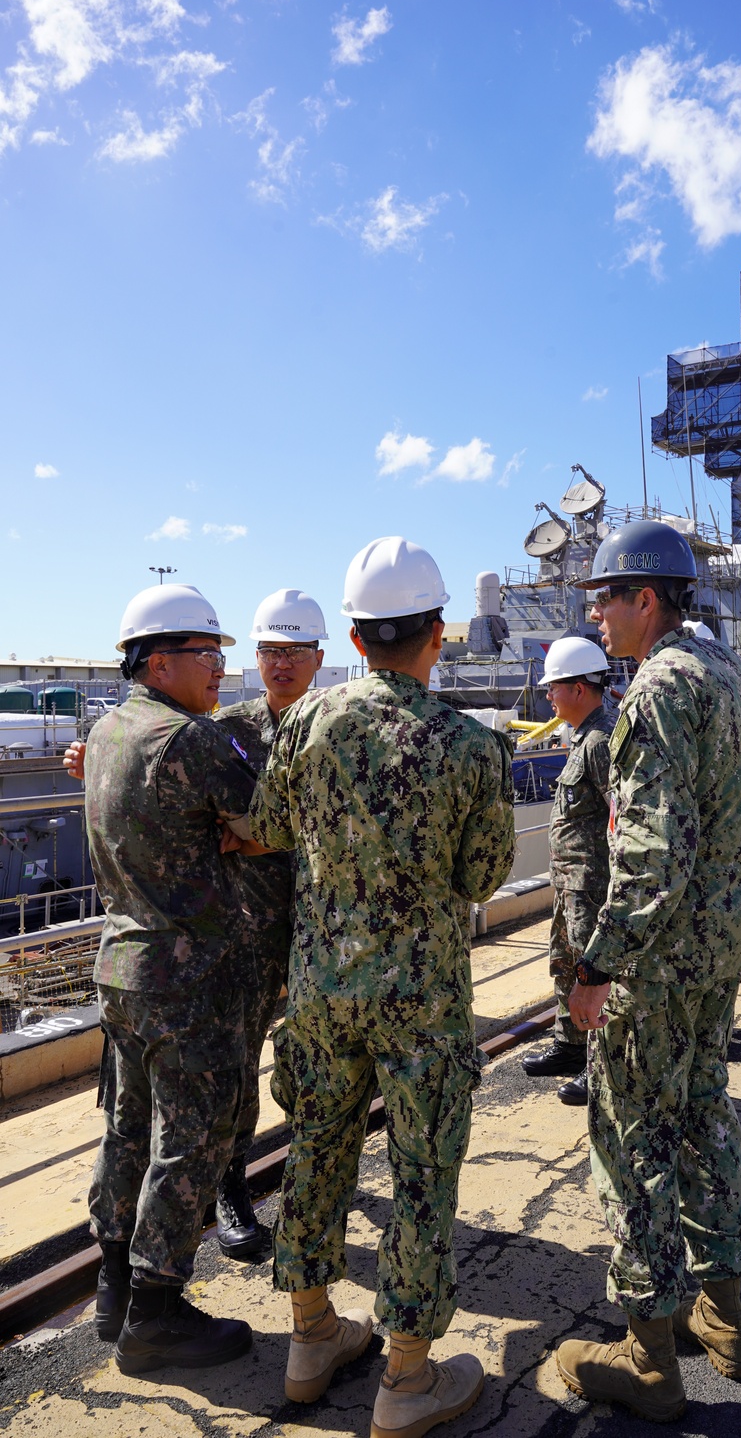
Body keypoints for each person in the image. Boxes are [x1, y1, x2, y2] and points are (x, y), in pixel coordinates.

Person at [231, 537, 516, 1428]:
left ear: (352, 640)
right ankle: (406, 1379)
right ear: (437, 634)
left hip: (318, 992)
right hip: (422, 1005)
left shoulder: (307, 722)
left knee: (316, 1157)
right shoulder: (472, 747)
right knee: (425, 1174)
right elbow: (480, 877)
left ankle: (312, 1337)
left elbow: (270, 827)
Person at [553, 521, 741, 1424]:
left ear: (646, 599)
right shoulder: (726, 673)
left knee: (632, 1141)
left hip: (656, 963)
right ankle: (724, 1319)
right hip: (718, 949)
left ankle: (648, 1357)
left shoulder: (654, 692)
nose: (595, 615)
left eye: (604, 597)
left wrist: (595, 967)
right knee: (703, 1115)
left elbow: (647, 860)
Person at [83, 583, 257, 1375]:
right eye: (207, 655)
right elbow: (271, 824)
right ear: (158, 661)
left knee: (126, 1129)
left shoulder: (107, 731)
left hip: (122, 969)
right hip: (191, 979)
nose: (222, 669)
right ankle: (157, 1313)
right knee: (192, 1141)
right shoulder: (190, 741)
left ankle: (113, 1287)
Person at [210, 588, 328, 1258]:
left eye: (295, 651)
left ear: (319, 656)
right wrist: (89, 760)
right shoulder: (227, 732)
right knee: (238, 1070)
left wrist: (260, 837)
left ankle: (314, 1181)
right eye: (271, 651)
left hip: (324, 933)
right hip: (247, 935)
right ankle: (234, 1192)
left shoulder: (338, 726)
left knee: (316, 1069)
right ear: (256, 656)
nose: (282, 663)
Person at [520, 636, 616, 1107]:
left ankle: (601, 1067)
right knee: (565, 964)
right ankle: (571, 1046)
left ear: (579, 688)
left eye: (553, 687)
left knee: (595, 976)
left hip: (594, 887)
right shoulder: (582, 735)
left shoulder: (602, 742)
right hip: (572, 883)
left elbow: (623, 818)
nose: (548, 696)